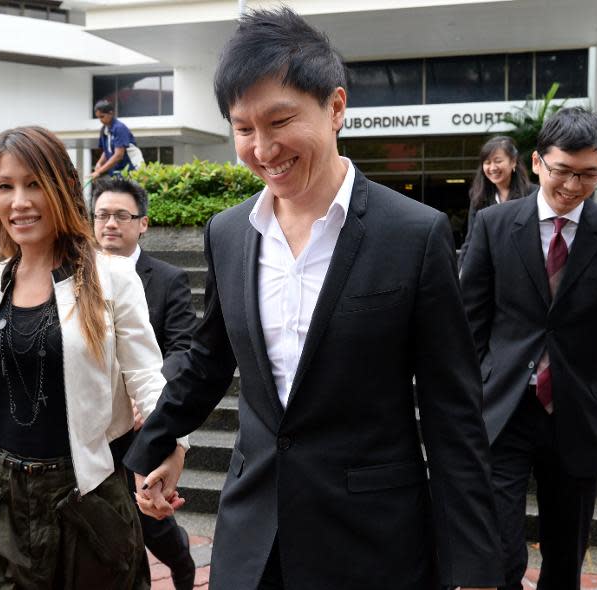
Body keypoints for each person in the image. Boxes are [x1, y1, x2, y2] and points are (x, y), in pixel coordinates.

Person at [125, 8, 502, 590]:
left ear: (335, 107)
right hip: (253, 538)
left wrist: (476, 568)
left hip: (371, 541)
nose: (262, 148)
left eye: (279, 121)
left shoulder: (414, 234)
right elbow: (208, 361)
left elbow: (453, 414)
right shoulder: (229, 233)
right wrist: (154, 446)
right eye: (243, 128)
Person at [0, 125, 187, 589]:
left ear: (64, 188)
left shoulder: (109, 278)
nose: (19, 201)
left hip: (84, 493)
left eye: (34, 184)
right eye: (5, 186)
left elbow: (150, 379)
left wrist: (171, 451)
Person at [461, 107, 597, 590]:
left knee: (564, 557)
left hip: (576, 412)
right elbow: (469, 322)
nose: (573, 185)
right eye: (562, 170)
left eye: (589, 174)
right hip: (502, 410)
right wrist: (474, 387)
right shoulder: (494, 226)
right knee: (498, 549)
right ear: (537, 162)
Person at [93, 175, 198, 590]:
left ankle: (184, 564)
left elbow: (182, 346)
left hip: (142, 422)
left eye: (121, 215)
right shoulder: (72, 273)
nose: (110, 224)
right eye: (102, 215)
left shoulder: (168, 278)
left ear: (144, 223)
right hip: (94, 424)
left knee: (152, 524)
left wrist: (149, 393)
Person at [457, 136, 533, 268]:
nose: (492, 167)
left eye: (498, 161)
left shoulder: (533, 194)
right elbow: (470, 240)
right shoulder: (479, 198)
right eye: (487, 162)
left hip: (523, 269)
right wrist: (460, 272)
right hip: (489, 270)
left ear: (513, 162)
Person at [92, 100, 140, 178]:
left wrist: (99, 171)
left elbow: (119, 155)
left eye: (102, 116)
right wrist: (99, 163)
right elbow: (107, 150)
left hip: (132, 170)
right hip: (117, 172)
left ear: (111, 113)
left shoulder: (119, 128)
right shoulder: (104, 130)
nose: (100, 120)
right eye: (98, 118)